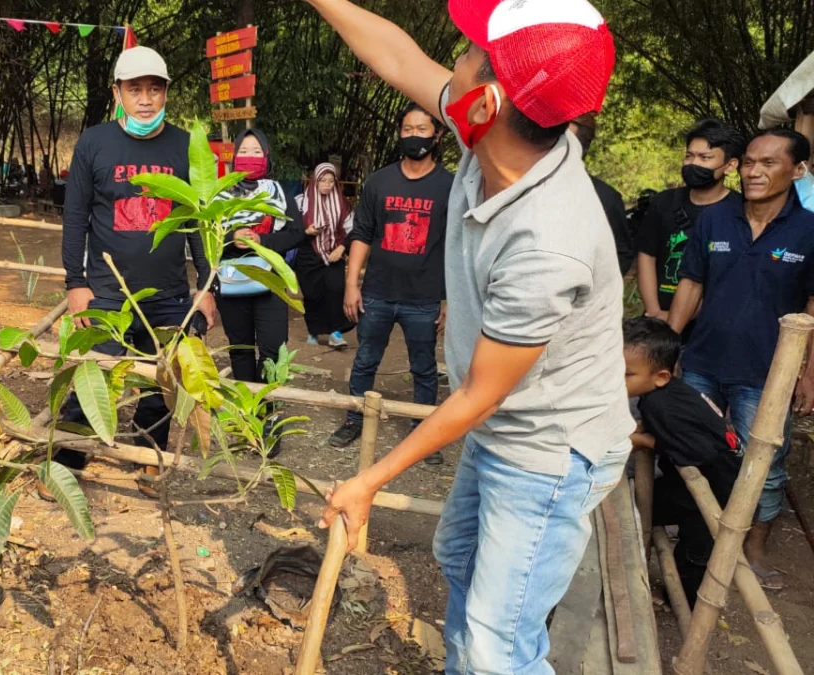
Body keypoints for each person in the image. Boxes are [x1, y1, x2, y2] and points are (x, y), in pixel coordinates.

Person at [304, 0, 633, 672]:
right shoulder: (488, 132)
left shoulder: (550, 240)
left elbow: (481, 392)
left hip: (546, 447)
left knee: (498, 642)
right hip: (505, 421)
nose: (452, 63)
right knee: (457, 555)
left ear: (491, 96)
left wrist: (368, 480)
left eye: (467, 53)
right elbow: (396, 57)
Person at [57, 45, 215, 480]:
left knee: (159, 380)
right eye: (135, 89)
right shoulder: (93, 143)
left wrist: (206, 288)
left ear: (166, 92)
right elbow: (75, 218)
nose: (145, 99)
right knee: (95, 377)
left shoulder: (186, 146)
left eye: (154, 89)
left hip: (167, 292)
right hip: (107, 291)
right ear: (117, 93)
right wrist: (76, 282)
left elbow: (199, 225)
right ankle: (69, 460)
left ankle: (148, 461)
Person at [668, 128, 814, 590]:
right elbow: (691, 284)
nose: (754, 171)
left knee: (764, 465)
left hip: (767, 373)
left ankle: (753, 547)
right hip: (703, 361)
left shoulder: (809, 231)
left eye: (769, 163)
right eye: (749, 161)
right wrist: (667, 349)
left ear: (799, 170)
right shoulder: (715, 219)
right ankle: (689, 530)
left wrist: (808, 372)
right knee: (688, 446)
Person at [330, 102, 453, 463]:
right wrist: (352, 284)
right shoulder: (379, 182)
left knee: (424, 367)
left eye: (422, 129)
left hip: (424, 297)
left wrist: (448, 299)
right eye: (408, 130)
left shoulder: (450, 186)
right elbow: (363, 234)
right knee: (366, 359)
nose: (415, 136)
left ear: (437, 135)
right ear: (400, 134)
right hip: (379, 293)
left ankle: (423, 432)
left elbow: (454, 245)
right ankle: (355, 418)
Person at [623, 317, 742, 606]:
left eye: (626, 374)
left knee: (694, 552)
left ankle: (685, 601)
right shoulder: (669, 392)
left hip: (716, 493)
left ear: (661, 376)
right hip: (692, 483)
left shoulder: (658, 404)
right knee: (642, 510)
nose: (615, 381)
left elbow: (699, 452)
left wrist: (645, 442)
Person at [215, 129, 305, 386]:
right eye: (243, 152)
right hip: (232, 281)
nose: (249, 157)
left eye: (256, 152)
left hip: (270, 281)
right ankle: (246, 410)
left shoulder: (278, 193)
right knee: (240, 348)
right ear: (234, 157)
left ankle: (268, 408)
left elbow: (297, 233)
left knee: (273, 348)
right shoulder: (220, 195)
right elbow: (205, 239)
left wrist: (263, 241)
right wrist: (232, 237)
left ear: (266, 156)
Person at [637, 119, 744, 326]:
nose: (694, 163)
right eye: (689, 156)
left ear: (730, 165)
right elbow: (646, 256)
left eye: (705, 158)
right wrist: (654, 311)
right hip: (658, 317)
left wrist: (681, 317)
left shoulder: (740, 211)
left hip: (710, 322)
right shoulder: (664, 202)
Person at [294, 162, 355, 348]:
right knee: (312, 295)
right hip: (308, 255)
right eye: (323, 180)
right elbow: (289, 229)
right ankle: (313, 331)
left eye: (331, 181)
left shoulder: (342, 202)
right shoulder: (301, 202)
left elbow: (352, 229)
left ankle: (335, 333)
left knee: (335, 291)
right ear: (315, 181)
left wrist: (342, 248)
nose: (327, 185)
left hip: (333, 254)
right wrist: (306, 231)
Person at [570, 113, 634, 275]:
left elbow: (622, 254)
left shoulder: (605, 198)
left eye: (564, 142)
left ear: (581, 148)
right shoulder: (524, 188)